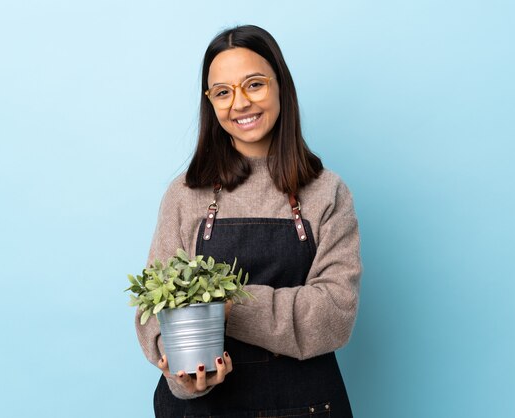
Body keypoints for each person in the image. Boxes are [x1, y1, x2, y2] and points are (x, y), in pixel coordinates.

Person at [135, 24, 362, 417]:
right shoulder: (185, 195)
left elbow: (333, 314)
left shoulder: (327, 192)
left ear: (280, 85)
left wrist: (224, 308)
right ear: (211, 103)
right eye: (223, 92)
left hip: (306, 406)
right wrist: (183, 378)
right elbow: (153, 315)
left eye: (253, 84)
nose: (239, 103)